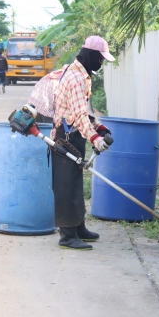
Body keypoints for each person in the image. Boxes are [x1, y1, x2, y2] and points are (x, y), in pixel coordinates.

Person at [50, 36, 115, 250]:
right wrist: (95, 138)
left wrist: (99, 127)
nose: (101, 63)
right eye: (100, 58)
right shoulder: (76, 78)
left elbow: (85, 110)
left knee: (75, 183)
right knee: (66, 187)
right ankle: (67, 236)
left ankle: (78, 228)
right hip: (66, 136)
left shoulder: (81, 74)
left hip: (74, 134)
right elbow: (78, 115)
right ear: (91, 56)